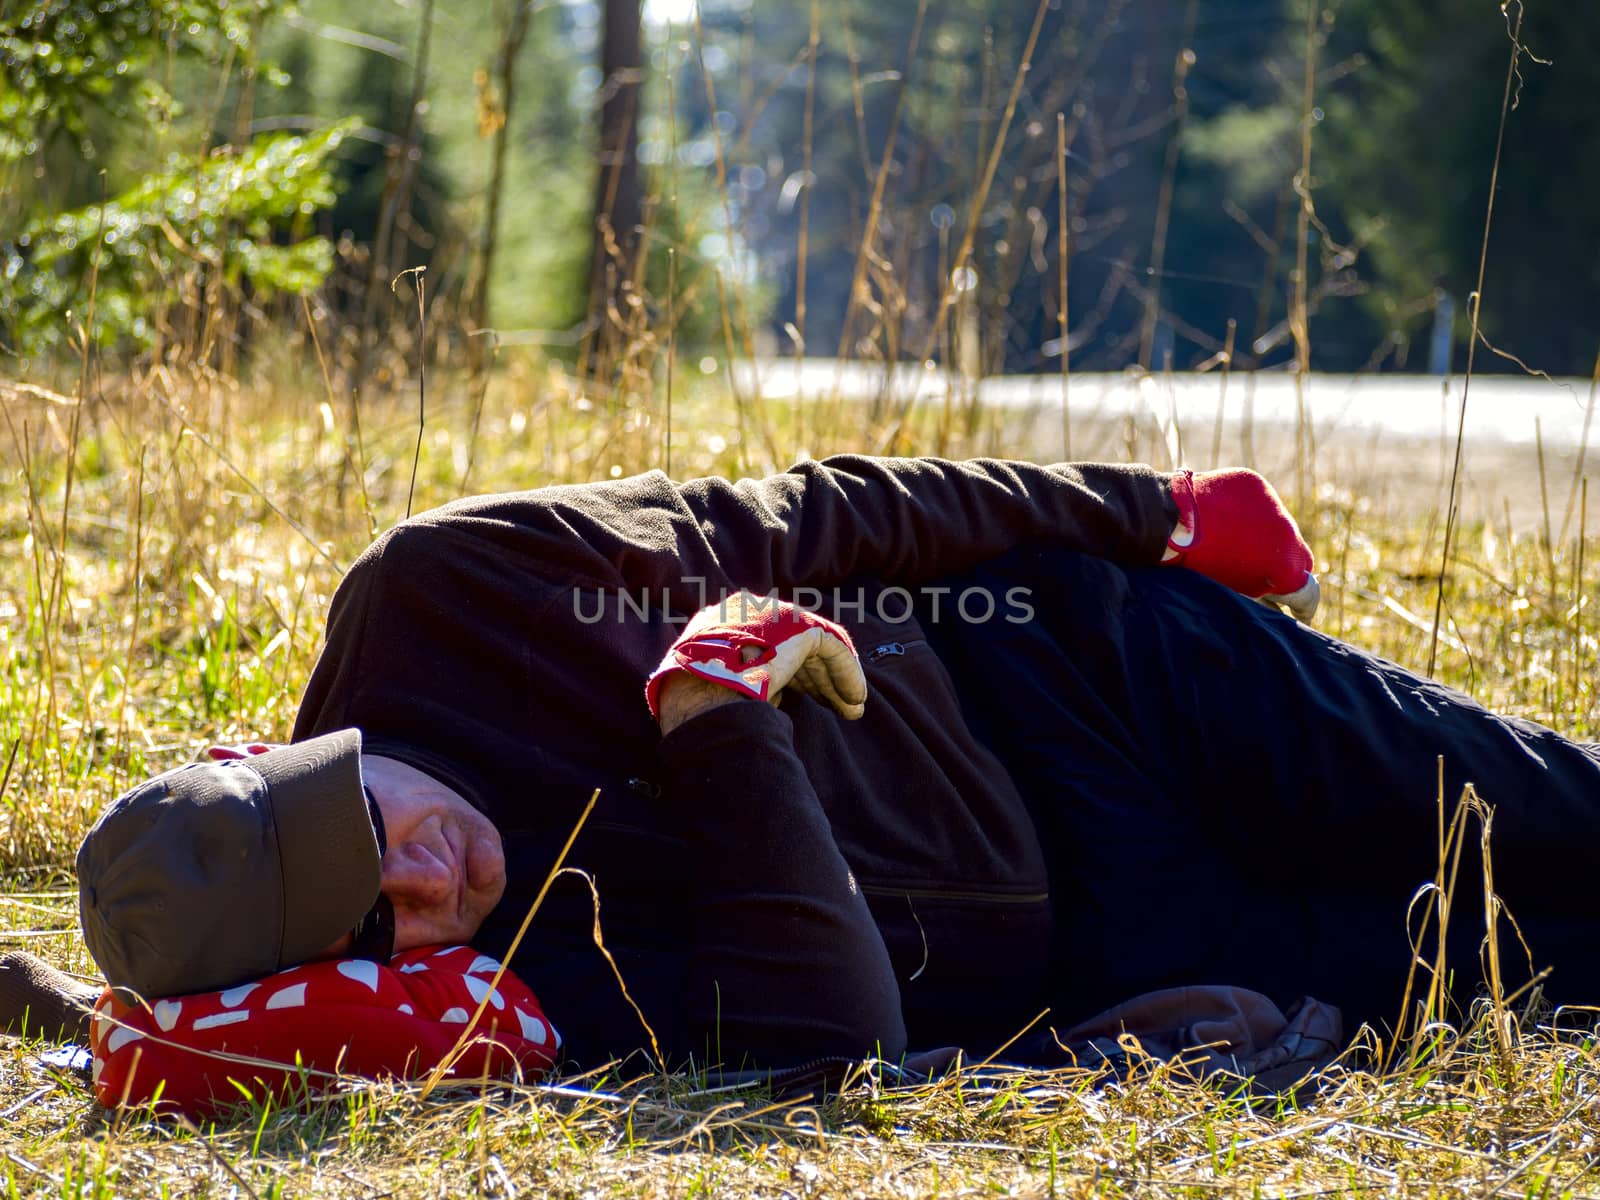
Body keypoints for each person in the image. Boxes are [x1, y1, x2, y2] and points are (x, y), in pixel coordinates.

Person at [12, 456, 1600, 1074]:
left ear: (319, 756)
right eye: (382, 922)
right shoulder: (483, 998)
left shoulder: (444, 597)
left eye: (381, 832)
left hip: (1075, 669)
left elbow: (811, 513)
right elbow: (835, 1042)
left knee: (1538, 805)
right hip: (1111, 942)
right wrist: (719, 726)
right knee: (1546, 971)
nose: (434, 884)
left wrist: (1153, 515)